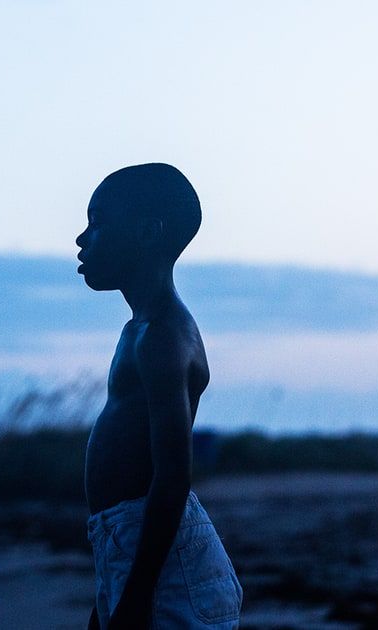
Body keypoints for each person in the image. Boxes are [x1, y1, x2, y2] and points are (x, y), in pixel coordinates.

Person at [76, 163, 242, 629]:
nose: (81, 239)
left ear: (148, 232)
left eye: (98, 222)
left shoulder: (164, 336)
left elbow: (171, 477)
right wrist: (111, 591)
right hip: (135, 549)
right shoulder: (140, 331)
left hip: (168, 564)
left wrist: (136, 595)